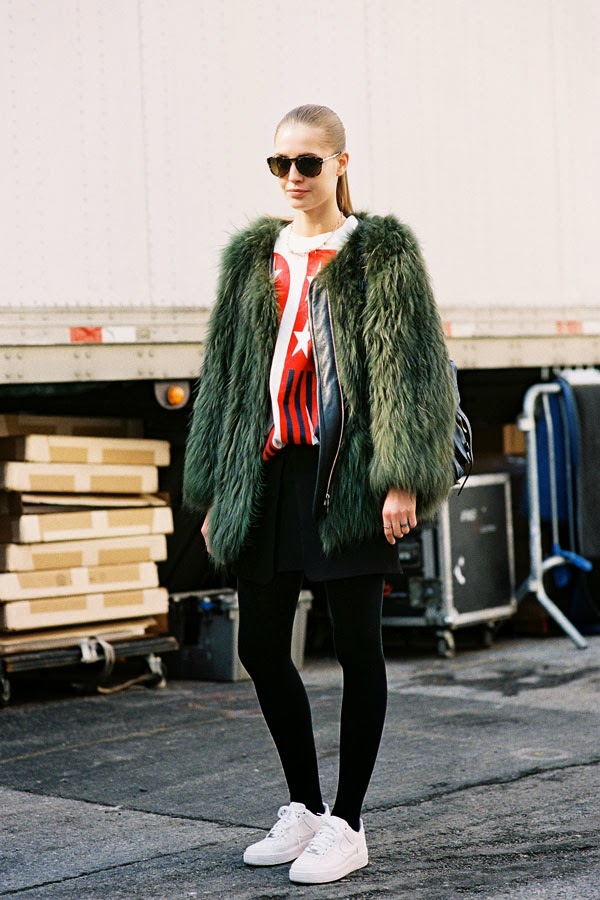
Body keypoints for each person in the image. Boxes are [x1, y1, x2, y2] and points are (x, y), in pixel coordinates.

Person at [183, 103, 456, 885]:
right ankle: (304, 808)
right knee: (261, 647)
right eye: (281, 163)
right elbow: (226, 379)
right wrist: (218, 485)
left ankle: (349, 823)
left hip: (350, 474)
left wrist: (403, 476)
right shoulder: (253, 257)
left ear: (341, 163)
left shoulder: (380, 253)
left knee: (357, 648)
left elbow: (412, 369)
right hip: (268, 475)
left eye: (308, 162)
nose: (293, 177)